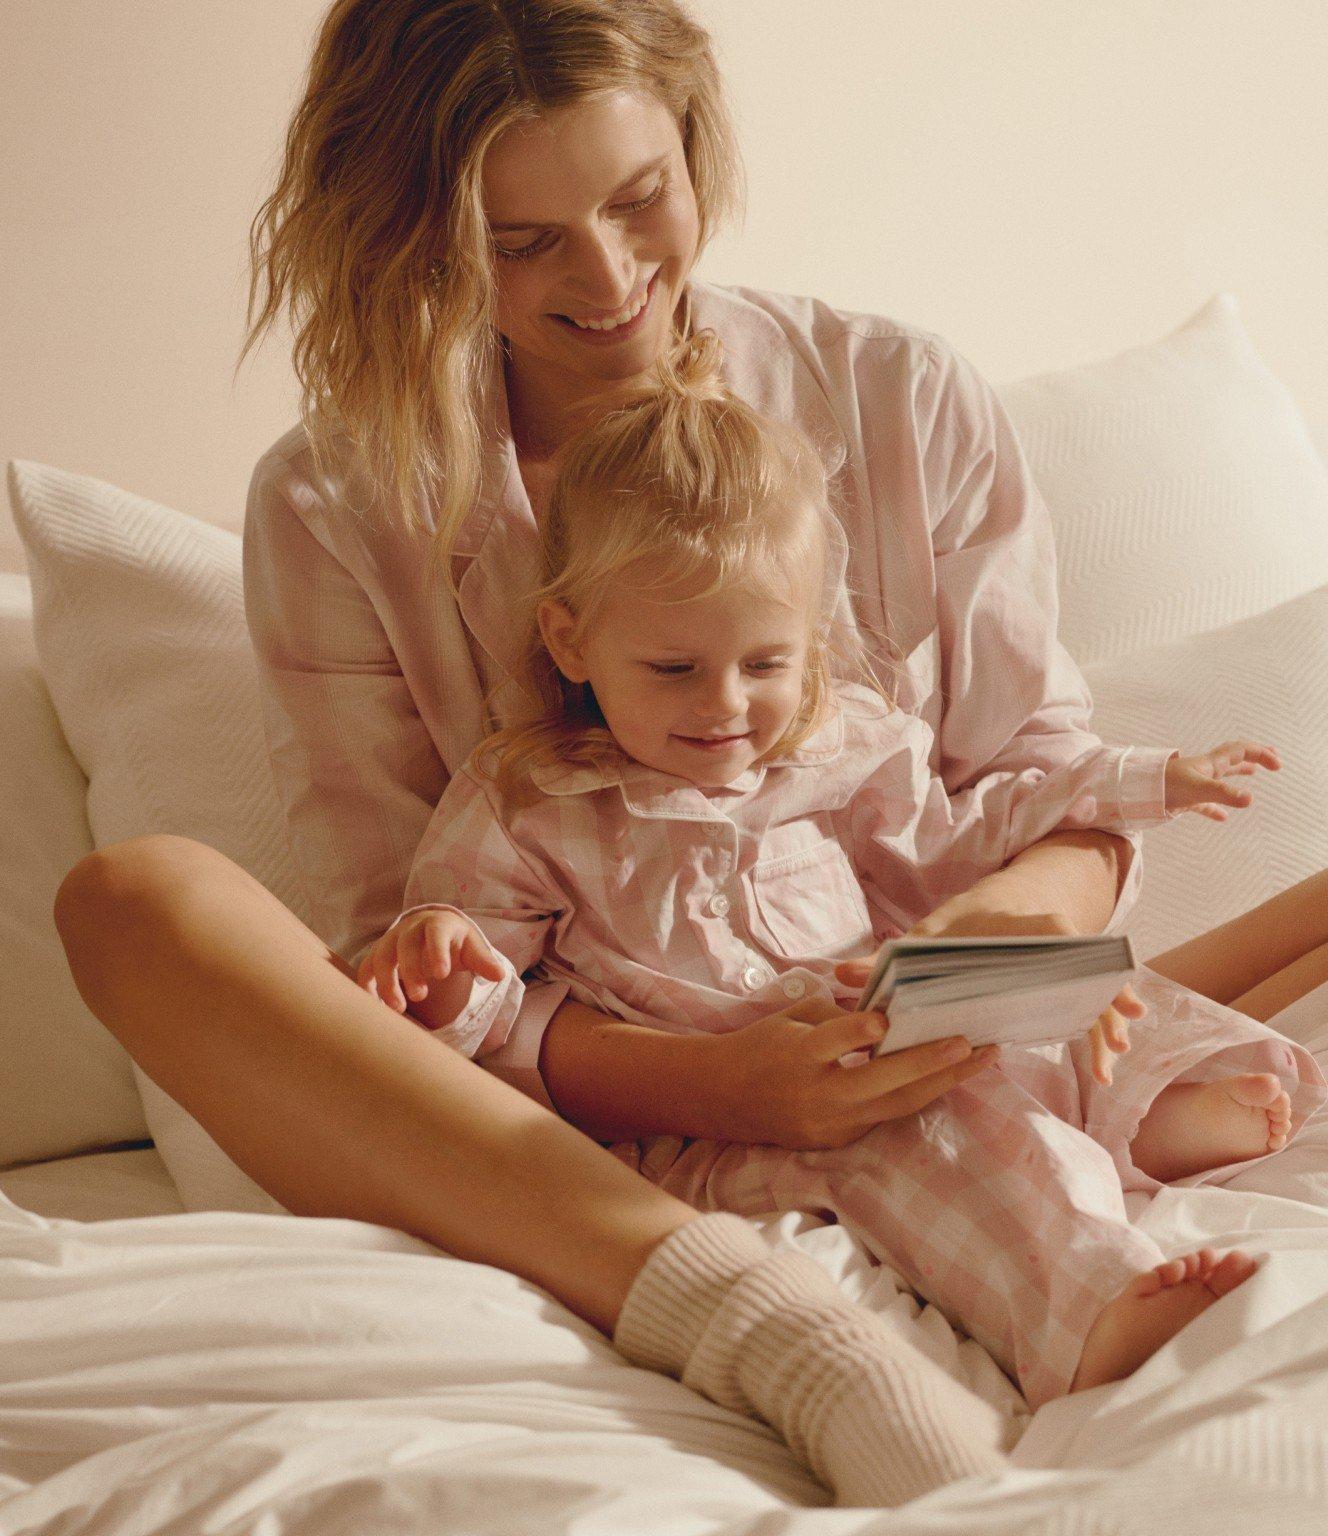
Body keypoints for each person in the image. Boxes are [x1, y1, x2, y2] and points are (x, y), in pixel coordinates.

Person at [47, 0, 1328, 1504]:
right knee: (132, 904)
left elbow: (1042, 785)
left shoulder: (901, 399)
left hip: (921, 1006)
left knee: (1124, 1008)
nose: (606, 278)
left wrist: (985, 946)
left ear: (693, 137)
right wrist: (723, 1089)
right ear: (412, 239)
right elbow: (403, 968)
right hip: (568, 1099)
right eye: (517, 243)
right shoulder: (343, 502)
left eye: (640, 195)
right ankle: (779, 1334)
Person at [354, 330, 1326, 1409]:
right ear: (571, 643)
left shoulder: (837, 746)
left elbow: (958, 847)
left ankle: (1144, 1102)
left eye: (763, 664)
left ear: (808, 643)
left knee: (1071, 983)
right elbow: (494, 1012)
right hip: (725, 1109)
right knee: (946, 1130)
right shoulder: (527, 801)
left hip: (875, 1004)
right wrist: (442, 955)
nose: (723, 706)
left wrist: (1139, 782)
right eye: (672, 668)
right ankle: (1091, 1305)